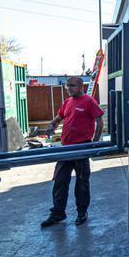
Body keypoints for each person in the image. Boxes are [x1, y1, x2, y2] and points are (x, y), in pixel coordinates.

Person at [40, 76, 104, 228]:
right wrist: (51, 124)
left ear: (81, 86)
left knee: (82, 183)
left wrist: (93, 144)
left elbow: (99, 122)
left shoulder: (88, 101)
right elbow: (58, 118)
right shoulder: (67, 102)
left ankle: (82, 212)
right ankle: (58, 213)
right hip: (65, 148)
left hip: (82, 147)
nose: (69, 88)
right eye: (67, 86)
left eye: (72, 86)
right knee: (60, 182)